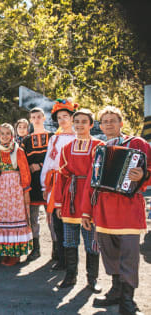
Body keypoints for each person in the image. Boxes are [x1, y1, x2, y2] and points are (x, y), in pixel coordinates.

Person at [82, 106, 151, 315]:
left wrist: (143, 175)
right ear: (100, 126)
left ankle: (128, 301)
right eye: (105, 121)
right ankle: (115, 291)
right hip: (103, 208)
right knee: (109, 252)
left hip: (128, 208)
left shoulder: (138, 143)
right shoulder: (99, 148)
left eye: (113, 120)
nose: (109, 124)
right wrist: (86, 212)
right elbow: (90, 181)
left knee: (129, 255)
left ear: (121, 123)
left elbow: (150, 169)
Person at [54, 109, 102, 292]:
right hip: (71, 197)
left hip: (90, 197)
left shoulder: (99, 146)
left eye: (84, 121)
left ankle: (92, 279)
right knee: (69, 241)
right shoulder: (66, 148)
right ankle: (70, 276)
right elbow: (62, 176)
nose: (80, 125)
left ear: (91, 124)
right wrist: (58, 202)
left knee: (92, 242)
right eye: (77, 121)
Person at [40, 99, 77, 269]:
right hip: (55, 182)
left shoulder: (78, 137)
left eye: (66, 116)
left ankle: (73, 263)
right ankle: (61, 259)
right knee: (57, 221)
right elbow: (49, 161)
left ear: (72, 118)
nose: (62, 120)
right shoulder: (54, 139)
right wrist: (44, 185)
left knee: (72, 222)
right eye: (59, 117)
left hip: (72, 182)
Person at [0, 123, 32, 266]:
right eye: (2, 133)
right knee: (4, 218)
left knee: (17, 218)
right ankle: (7, 252)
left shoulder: (18, 151)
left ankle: (16, 254)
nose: (5, 136)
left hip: (15, 188)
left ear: (12, 135)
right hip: (3, 189)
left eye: (7, 133)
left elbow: (25, 172)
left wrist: (26, 191)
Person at [21, 108, 54, 261]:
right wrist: (29, 167)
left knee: (52, 217)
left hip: (49, 183)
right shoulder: (26, 140)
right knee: (33, 218)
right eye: (33, 117)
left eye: (39, 117)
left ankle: (57, 249)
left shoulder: (53, 137)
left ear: (44, 118)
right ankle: (36, 248)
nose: (37, 119)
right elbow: (21, 162)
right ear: (30, 120)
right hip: (32, 185)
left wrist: (40, 165)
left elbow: (56, 159)